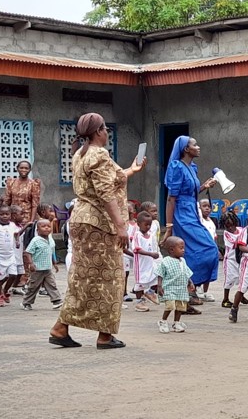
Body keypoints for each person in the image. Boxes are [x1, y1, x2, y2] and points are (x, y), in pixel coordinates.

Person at [49, 112, 146, 349]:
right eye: (104, 128)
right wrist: (121, 226)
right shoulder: (99, 154)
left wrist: (132, 169)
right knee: (109, 278)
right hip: (99, 223)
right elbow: (105, 193)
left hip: (82, 219)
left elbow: (111, 179)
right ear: (98, 131)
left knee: (84, 276)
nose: (106, 132)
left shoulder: (80, 154)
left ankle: (61, 328)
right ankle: (104, 335)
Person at [162, 136, 218, 315]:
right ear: (186, 149)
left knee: (196, 252)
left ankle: (186, 292)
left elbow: (190, 193)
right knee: (207, 248)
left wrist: (204, 186)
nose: (198, 147)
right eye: (194, 145)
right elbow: (171, 198)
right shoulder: (177, 167)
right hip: (181, 214)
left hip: (192, 212)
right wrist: (169, 226)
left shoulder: (191, 168)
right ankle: (186, 291)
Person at [21, 219, 62, 310]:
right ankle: (27, 302)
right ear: (37, 230)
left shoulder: (50, 239)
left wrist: (54, 263)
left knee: (52, 284)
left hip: (47, 268)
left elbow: (51, 251)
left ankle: (56, 300)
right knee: (33, 286)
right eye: (43, 226)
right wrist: (31, 264)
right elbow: (28, 252)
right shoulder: (36, 240)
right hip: (37, 269)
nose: (46, 228)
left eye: (48, 226)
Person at [155, 237, 193, 334]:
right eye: (181, 248)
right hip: (170, 287)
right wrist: (159, 286)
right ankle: (163, 321)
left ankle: (176, 322)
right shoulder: (165, 261)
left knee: (180, 306)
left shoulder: (183, 261)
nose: (183, 250)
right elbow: (160, 274)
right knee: (170, 306)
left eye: (183, 248)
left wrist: (190, 282)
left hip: (181, 288)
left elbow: (186, 272)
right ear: (172, 250)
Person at [131, 211, 160, 312]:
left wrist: (155, 254)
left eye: (149, 225)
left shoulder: (151, 235)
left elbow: (153, 246)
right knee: (140, 284)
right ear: (139, 224)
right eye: (146, 224)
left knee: (158, 275)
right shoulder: (137, 235)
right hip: (141, 265)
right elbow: (137, 249)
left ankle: (151, 292)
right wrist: (150, 254)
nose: (148, 227)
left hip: (150, 263)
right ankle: (139, 302)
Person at [139, 201, 162, 304]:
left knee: (161, 270)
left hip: (156, 251)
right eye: (153, 211)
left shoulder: (156, 223)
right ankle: (142, 297)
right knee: (145, 274)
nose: (155, 213)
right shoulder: (142, 225)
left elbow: (156, 236)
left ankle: (152, 291)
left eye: (156, 211)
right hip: (148, 253)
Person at [220, 211, 244, 308]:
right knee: (229, 279)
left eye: (232, 226)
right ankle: (225, 299)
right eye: (227, 226)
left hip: (240, 259)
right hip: (230, 260)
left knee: (241, 277)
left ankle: (241, 295)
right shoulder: (226, 234)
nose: (230, 228)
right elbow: (235, 244)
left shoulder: (241, 230)